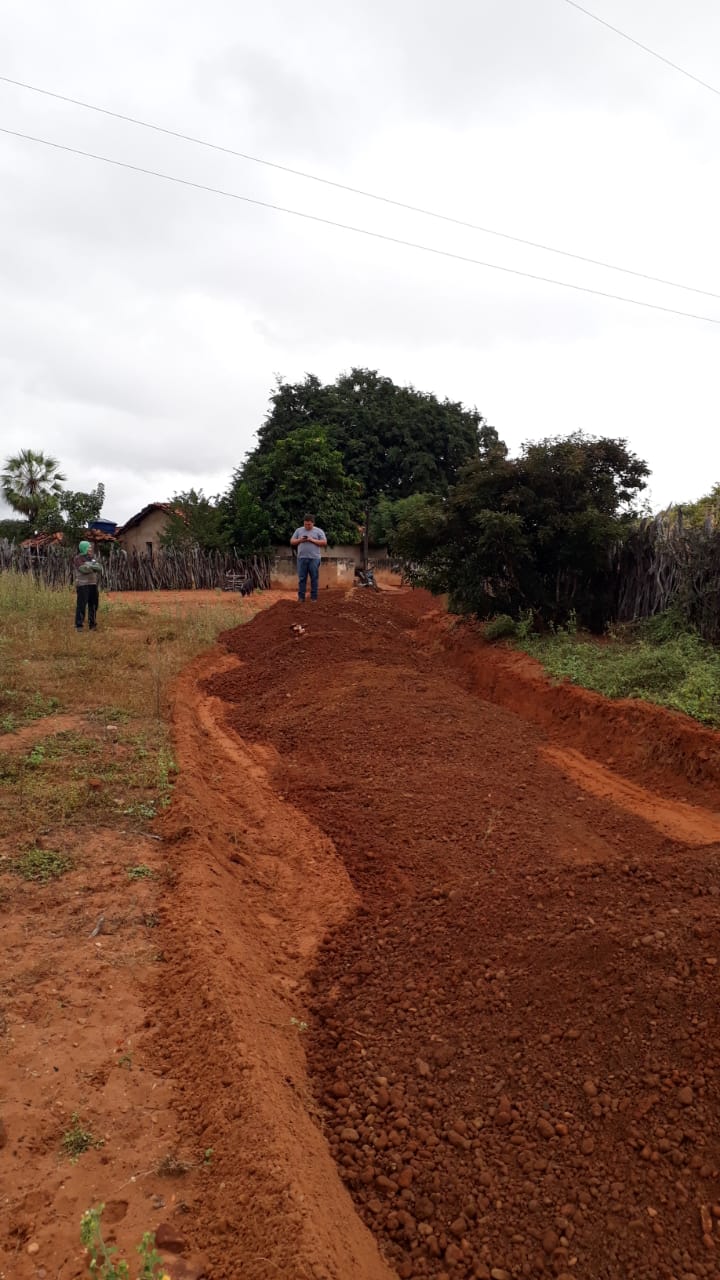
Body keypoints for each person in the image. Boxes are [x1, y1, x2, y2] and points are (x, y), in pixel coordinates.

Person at [290, 515, 327, 602]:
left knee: (314, 578)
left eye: (309, 524)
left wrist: (312, 540)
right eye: (305, 524)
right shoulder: (299, 530)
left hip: (314, 558)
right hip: (301, 558)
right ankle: (301, 598)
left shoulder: (319, 531)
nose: (307, 526)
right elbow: (292, 541)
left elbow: (324, 542)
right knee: (302, 578)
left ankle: (314, 598)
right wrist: (300, 540)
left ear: (313, 523)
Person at [73, 539, 102, 631]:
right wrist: (93, 567)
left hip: (93, 584)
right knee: (81, 605)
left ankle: (92, 625)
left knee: (93, 605)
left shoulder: (91, 558)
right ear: (84, 548)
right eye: (89, 547)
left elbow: (100, 568)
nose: (90, 548)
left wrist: (90, 566)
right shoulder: (78, 558)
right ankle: (79, 626)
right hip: (82, 585)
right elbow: (83, 570)